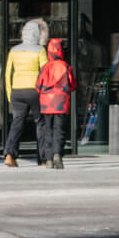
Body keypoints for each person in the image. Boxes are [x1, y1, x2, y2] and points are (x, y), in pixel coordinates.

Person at [2, 19, 47, 167]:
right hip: (35, 91)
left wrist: (10, 94)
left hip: (17, 91)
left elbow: (8, 73)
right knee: (40, 123)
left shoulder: (14, 50)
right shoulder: (40, 50)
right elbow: (45, 73)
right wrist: (44, 93)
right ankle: (42, 159)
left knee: (17, 123)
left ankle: (9, 154)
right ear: (37, 34)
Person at [35, 38, 75, 170]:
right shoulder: (66, 66)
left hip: (47, 104)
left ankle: (48, 160)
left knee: (48, 130)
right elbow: (72, 85)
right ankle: (57, 154)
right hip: (61, 103)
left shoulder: (45, 67)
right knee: (59, 130)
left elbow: (37, 86)